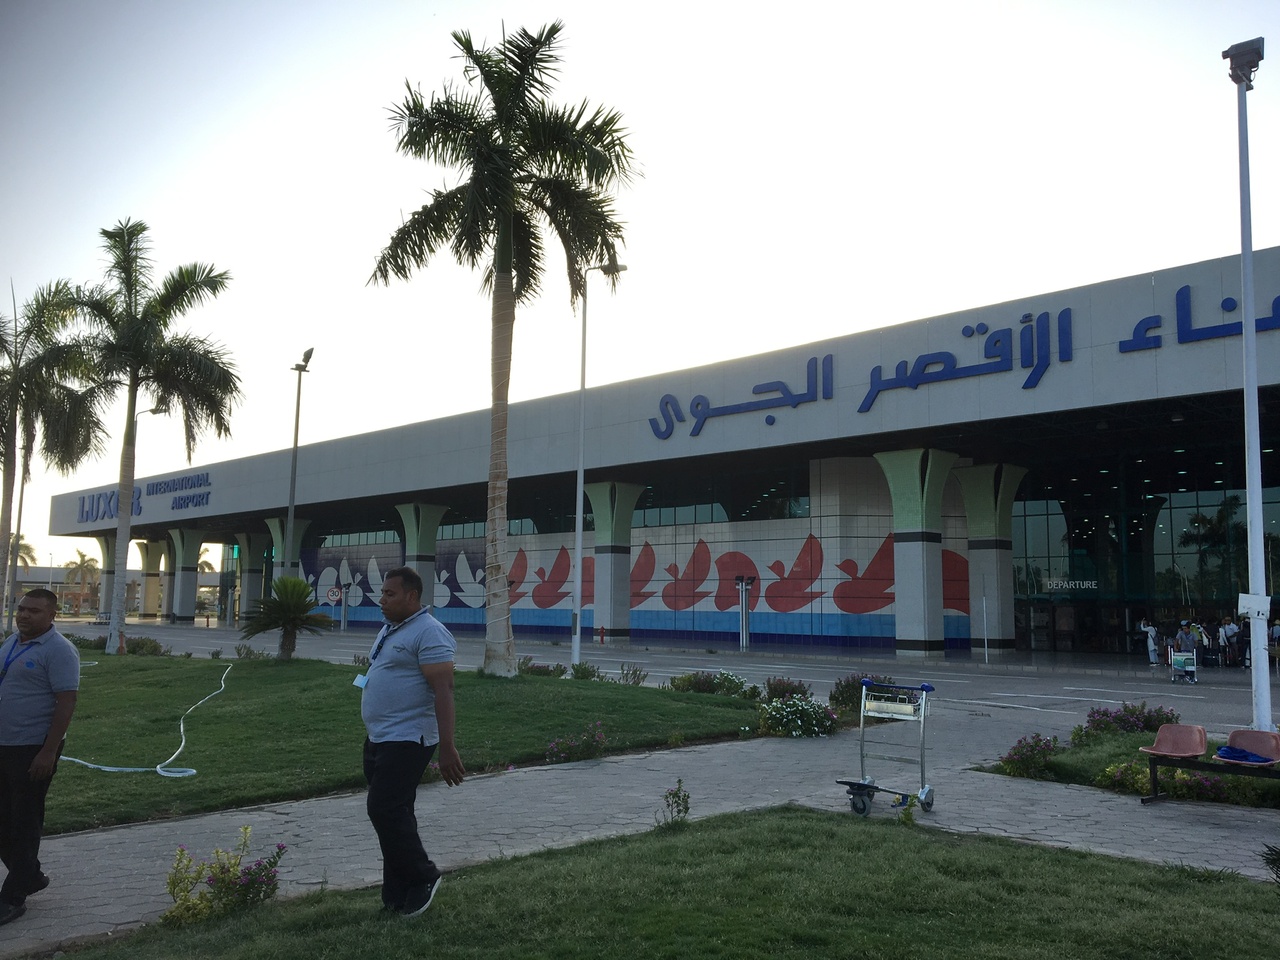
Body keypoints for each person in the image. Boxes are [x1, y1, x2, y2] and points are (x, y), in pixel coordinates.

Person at [358, 567, 465, 917]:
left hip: (408, 738)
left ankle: (424, 876)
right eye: (382, 593)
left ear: (412, 596)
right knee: (397, 815)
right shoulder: (391, 628)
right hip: (380, 737)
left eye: (390, 594)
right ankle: (396, 895)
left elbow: (444, 691)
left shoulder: (429, 632)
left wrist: (447, 746)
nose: (382, 600)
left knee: (384, 809)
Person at [0, 589, 79, 926]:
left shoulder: (59, 650)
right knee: (4, 819)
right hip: (4, 744)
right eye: (22, 609)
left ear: (52, 615)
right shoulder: (12, 643)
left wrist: (48, 751)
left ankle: (13, 897)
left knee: (24, 820)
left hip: (33, 748)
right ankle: (30, 875)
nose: (24, 615)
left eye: (34, 610)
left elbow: (67, 701)